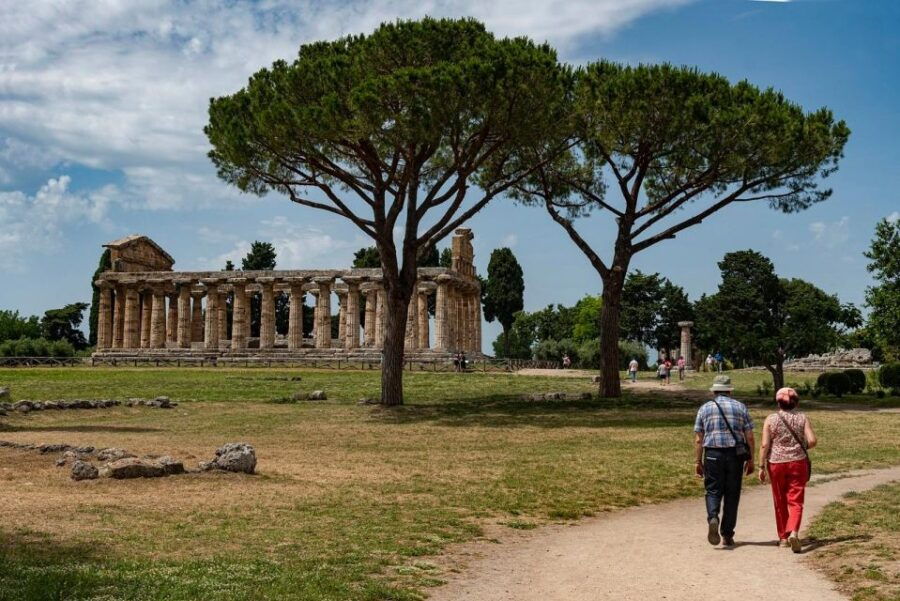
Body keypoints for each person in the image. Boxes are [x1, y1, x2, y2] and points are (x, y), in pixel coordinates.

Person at [693, 375, 755, 547]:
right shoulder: (740, 407)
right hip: (735, 455)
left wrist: (698, 461)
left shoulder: (705, 408)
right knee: (732, 494)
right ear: (729, 391)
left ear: (714, 391)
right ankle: (727, 534)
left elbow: (699, 439)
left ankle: (713, 517)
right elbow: (750, 436)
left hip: (712, 454)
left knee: (713, 490)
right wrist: (751, 460)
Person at [758, 387, 817, 553]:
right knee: (796, 500)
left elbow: (765, 444)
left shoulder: (771, 419)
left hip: (776, 463)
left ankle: (783, 538)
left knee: (780, 500)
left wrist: (761, 466)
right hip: (798, 462)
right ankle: (794, 532)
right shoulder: (802, 418)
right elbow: (812, 440)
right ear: (796, 402)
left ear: (778, 403)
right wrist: (800, 447)